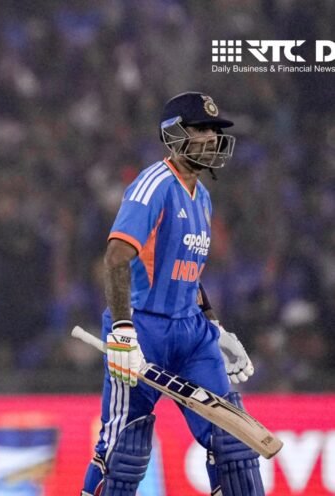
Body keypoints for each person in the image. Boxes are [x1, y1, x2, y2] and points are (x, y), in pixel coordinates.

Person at [81, 93, 263, 496]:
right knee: (123, 451)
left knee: (233, 441)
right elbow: (116, 257)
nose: (212, 138)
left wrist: (216, 328)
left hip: (192, 335)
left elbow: (187, 272)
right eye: (201, 129)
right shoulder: (153, 185)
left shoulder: (204, 199)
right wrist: (123, 331)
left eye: (215, 130)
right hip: (142, 329)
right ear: (174, 133)